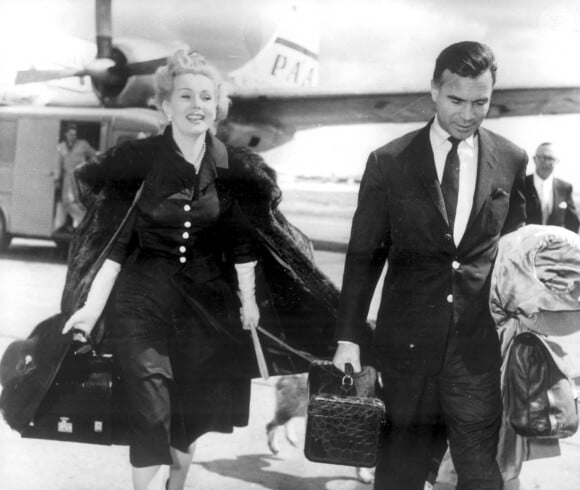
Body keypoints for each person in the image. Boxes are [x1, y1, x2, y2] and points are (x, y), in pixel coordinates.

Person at [61, 50, 262, 490]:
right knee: (152, 414)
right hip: (141, 307)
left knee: (186, 423)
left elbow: (243, 244)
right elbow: (115, 246)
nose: (196, 105)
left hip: (202, 315)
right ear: (165, 105)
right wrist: (92, 310)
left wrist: (249, 304)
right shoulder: (140, 161)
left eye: (206, 97)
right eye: (185, 95)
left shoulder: (230, 167)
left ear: (217, 107)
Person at [333, 41, 528, 490]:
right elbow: (364, 258)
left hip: (476, 352)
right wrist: (347, 336)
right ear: (434, 92)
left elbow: (518, 253)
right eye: (457, 100)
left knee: (481, 476)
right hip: (406, 351)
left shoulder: (512, 160)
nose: (468, 113)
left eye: (481, 102)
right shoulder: (389, 161)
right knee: (400, 473)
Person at [524, 142, 579, 232]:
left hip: (555, 244)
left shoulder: (565, 188)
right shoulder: (522, 184)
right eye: (539, 157)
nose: (543, 161)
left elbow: (572, 223)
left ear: (557, 161)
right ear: (534, 159)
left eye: (549, 158)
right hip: (526, 243)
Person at [56, 124, 97, 230]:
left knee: (80, 201)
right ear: (66, 134)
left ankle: (82, 224)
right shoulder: (61, 147)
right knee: (67, 202)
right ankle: (83, 221)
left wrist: (90, 169)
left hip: (80, 176)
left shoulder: (83, 144)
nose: (73, 137)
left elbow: (94, 155)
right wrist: (57, 178)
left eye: (74, 135)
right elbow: (58, 163)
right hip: (67, 178)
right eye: (70, 134)